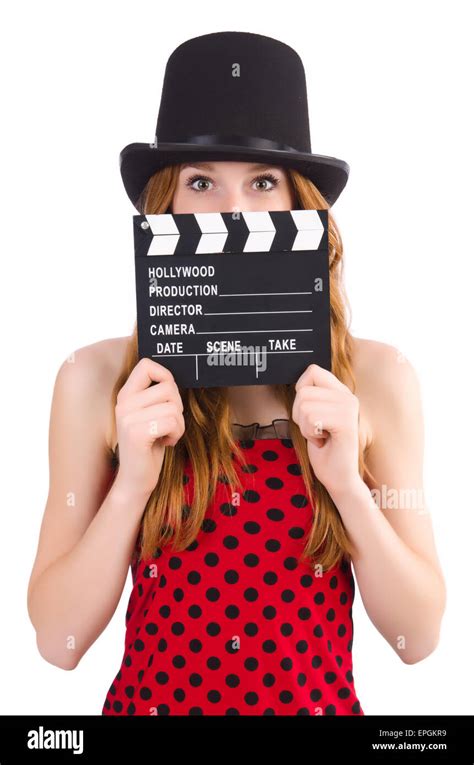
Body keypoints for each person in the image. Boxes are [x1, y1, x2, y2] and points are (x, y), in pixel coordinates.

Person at [27, 32, 446, 716]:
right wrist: (131, 482)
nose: (233, 211)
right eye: (201, 182)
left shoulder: (377, 379)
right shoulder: (95, 378)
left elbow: (418, 636)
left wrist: (346, 482)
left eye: (261, 182)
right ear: (163, 206)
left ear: (298, 205)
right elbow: (57, 639)